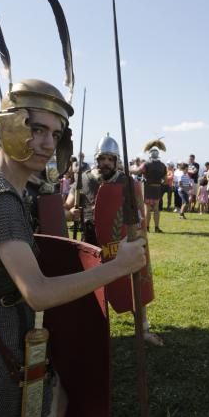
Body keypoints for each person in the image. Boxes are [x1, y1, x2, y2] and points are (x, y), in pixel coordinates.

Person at [0, 79, 145, 417]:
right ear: (9, 125)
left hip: (9, 334)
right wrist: (117, 268)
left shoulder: (12, 190)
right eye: (34, 128)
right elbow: (34, 290)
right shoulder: (3, 202)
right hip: (3, 339)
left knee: (52, 408)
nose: (43, 143)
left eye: (52, 134)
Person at [65, 134, 163, 345]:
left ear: (116, 160)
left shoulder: (126, 182)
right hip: (91, 237)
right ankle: (93, 327)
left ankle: (142, 328)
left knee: (132, 281)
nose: (106, 163)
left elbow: (137, 214)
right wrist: (72, 210)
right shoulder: (84, 178)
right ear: (97, 158)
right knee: (91, 285)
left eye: (111, 159)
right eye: (103, 158)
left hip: (121, 241)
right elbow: (69, 204)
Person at [131, 140, 167, 233]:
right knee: (156, 209)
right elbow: (165, 180)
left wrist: (129, 169)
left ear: (150, 154)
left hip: (148, 188)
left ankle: (147, 228)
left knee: (147, 209)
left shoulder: (146, 164)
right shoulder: (163, 165)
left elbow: (137, 172)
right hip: (157, 188)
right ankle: (156, 228)